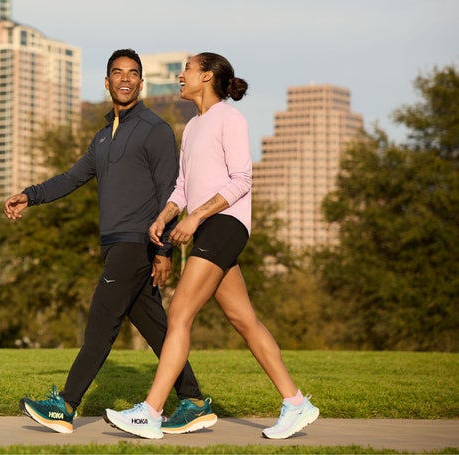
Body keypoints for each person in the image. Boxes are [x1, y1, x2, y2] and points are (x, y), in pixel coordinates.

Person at [103, 52, 319, 440]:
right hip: (209, 227)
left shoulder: (229, 119)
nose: (181, 76)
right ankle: (296, 402)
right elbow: (183, 187)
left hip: (225, 224)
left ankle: (150, 412)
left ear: (206, 77)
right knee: (244, 320)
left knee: (180, 313)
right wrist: (166, 216)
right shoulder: (193, 127)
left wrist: (196, 217)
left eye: (186, 69)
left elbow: (241, 180)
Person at [4, 49, 217, 435]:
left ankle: (64, 406)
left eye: (133, 73)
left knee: (101, 323)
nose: (125, 79)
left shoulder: (154, 130)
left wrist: (164, 249)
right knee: (157, 329)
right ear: (106, 82)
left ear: (140, 82)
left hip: (136, 243)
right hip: (116, 243)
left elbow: (170, 191)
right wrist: (29, 195)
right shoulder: (103, 137)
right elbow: (71, 178)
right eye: (117, 73)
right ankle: (194, 400)